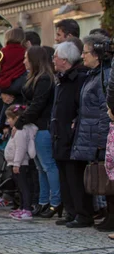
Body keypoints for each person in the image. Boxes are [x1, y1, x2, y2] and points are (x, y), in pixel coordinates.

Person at [71, 34, 114, 231]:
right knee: (103, 177)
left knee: (108, 176)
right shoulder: (93, 75)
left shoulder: (104, 76)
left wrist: (102, 139)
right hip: (90, 131)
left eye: (86, 52)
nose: (83, 56)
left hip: (99, 133)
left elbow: (106, 111)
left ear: (97, 55)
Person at [51, 41, 93, 227]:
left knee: (75, 177)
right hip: (60, 134)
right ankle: (71, 211)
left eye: (56, 56)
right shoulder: (61, 78)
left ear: (65, 60)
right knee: (64, 176)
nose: (53, 59)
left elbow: (80, 106)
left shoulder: (79, 78)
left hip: (72, 135)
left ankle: (83, 214)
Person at [15, 46, 60, 217]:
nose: (24, 61)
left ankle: (55, 201)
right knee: (41, 167)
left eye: (26, 58)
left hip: (43, 126)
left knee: (48, 166)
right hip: (35, 126)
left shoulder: (44, 79)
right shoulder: (35, 78)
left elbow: (38, 105)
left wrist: (21, 120)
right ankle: (43, 201)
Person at [4, 104, 38, 220]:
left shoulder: (20, 131)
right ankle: (22, 207)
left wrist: (17, 163)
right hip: (15, 163)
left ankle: (27, 209)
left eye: (9, 118)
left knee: (24, 187)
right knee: (20, 187)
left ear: (16, 118)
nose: (8, 121)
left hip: (20, 164)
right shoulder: (16, 130)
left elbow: (21, 148)